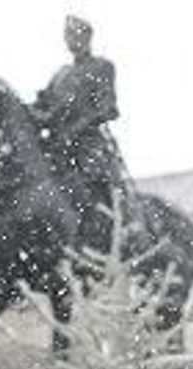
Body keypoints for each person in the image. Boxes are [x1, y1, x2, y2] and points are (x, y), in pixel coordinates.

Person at [33, 15, 126, 219]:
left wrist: (76, 129)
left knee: (93, 178)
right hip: (57, 144)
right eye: (69, 36)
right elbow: (44, 108)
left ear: (88, 37)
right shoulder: (60, 75)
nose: (73, 40)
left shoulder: (101, 66)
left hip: (88, 142)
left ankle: (111, 218)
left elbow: (107, 107)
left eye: (77, 35)